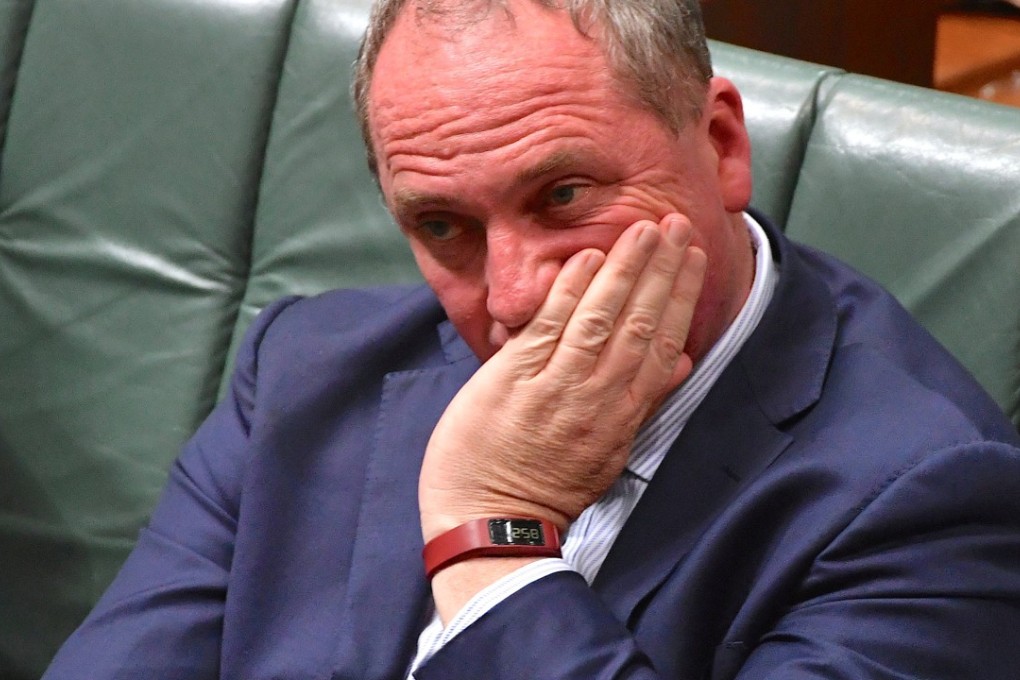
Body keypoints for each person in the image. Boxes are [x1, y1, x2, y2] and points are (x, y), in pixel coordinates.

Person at [43, 0, 1020, 678]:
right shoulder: (302, 373)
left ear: (720, 144)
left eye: (562, 196)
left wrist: (492, 534)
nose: (511, 297)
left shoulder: (932, 501)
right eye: (442, 228)